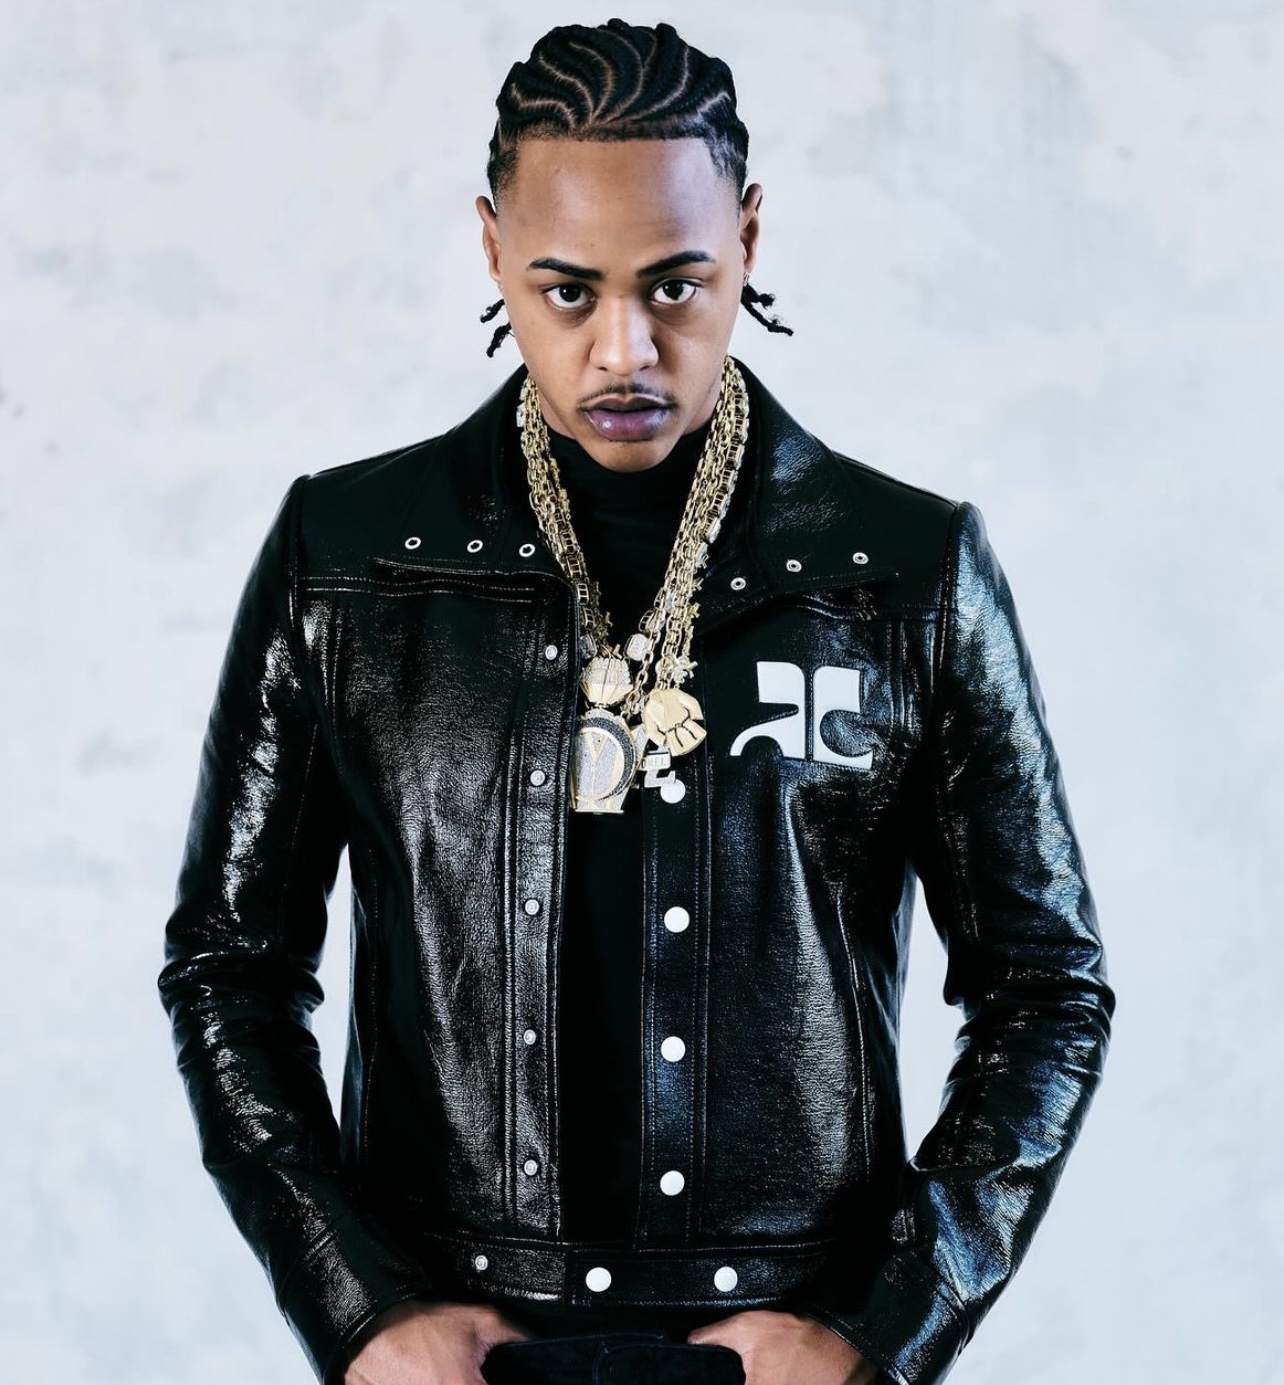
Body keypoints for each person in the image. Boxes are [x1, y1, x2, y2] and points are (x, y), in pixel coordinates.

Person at [157, 18, 1114, 1385]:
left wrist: (883, 1329)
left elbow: (1046, 987)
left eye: (676, 286)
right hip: (454, 1347)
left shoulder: (903, 570)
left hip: (788, 1340)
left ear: (750, 241)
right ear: (492, 248)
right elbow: (230, 968)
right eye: (567, 291)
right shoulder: (350, 558)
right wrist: (358, 1311)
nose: (625, 349)